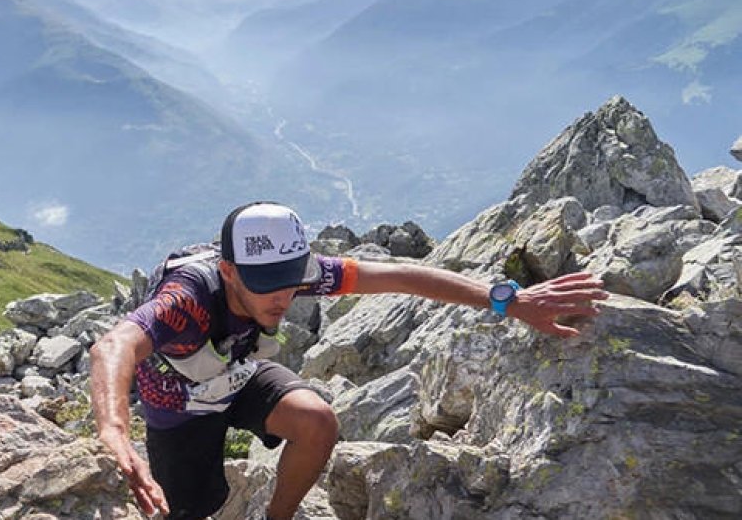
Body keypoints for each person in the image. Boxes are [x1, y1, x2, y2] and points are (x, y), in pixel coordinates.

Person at [90, 201, 608, 520]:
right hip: (179, 408)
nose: (284, 297)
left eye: (291, 280)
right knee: (190, 510)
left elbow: (402, 275)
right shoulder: (187, 299)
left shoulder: (284, 269)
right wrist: (114, 431)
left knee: (318, 422)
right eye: (267, 285)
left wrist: (509, 301)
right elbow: (114, 346)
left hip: (238, 374)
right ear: (228, 270)